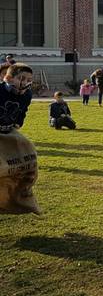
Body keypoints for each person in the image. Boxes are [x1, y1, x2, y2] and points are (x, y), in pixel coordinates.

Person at [0, 63, 40, 214]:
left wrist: (18, 122)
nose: (25, 83)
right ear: (8, 78)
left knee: (28, 152)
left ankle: (21, 195)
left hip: (8, 130)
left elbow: (23, 111)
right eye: (21, 78)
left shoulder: (27, 95)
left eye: (29, 79)